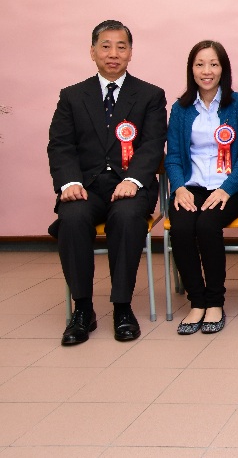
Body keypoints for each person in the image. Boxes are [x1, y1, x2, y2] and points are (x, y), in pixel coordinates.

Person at [48, 20, 167, 346]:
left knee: (127, 217)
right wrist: (69, 183)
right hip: (85, 187)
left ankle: (122, 307)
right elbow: (60, 145)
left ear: (130, 53)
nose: (113, 53)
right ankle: (83, 309)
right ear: (92, 52)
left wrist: (133, 179)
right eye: (105, 46)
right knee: (72, 217)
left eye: (121, 47)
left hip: (130, 187)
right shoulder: (72, 96)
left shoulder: (150, 95)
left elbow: (152, 144)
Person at [164, 40, 238, 335]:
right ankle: (196, 302)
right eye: (200, 64)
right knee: (181, 227)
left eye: (213, 64)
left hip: (229, 189)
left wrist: (227, 188)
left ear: (223, 69)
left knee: (207, 225)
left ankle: (214, 301)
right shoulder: (181, 109)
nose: (207, 71)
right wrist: (179, 188)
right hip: (192, 187)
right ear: (191, 69)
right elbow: (174, 157)